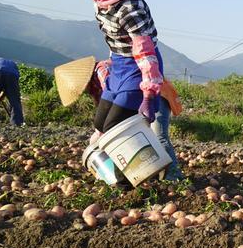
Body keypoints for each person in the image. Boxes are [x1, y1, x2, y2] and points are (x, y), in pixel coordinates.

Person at [55, 0, 164, 134]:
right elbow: (114, 41)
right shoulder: (102, 2)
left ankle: (147, 161)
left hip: (138, 68)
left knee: (114, 127)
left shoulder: (130, 9)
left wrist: (148, 95)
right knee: (100, 125)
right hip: (119, 66)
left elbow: (145, 53)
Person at [54, 56, 183, 181]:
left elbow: (118, 102)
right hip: (136, 97)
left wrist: (101, 135)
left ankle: (173, 175)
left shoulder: (102, 71)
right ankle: (151, 173)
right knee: (138, 137)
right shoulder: (94, 87)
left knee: (159, 135)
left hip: (155, 93)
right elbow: (106, 110)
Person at [0, 57, 24, 126]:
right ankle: (17, 124)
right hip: (13, 75)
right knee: (15, 101)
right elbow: (6, 91)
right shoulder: (9, 63)